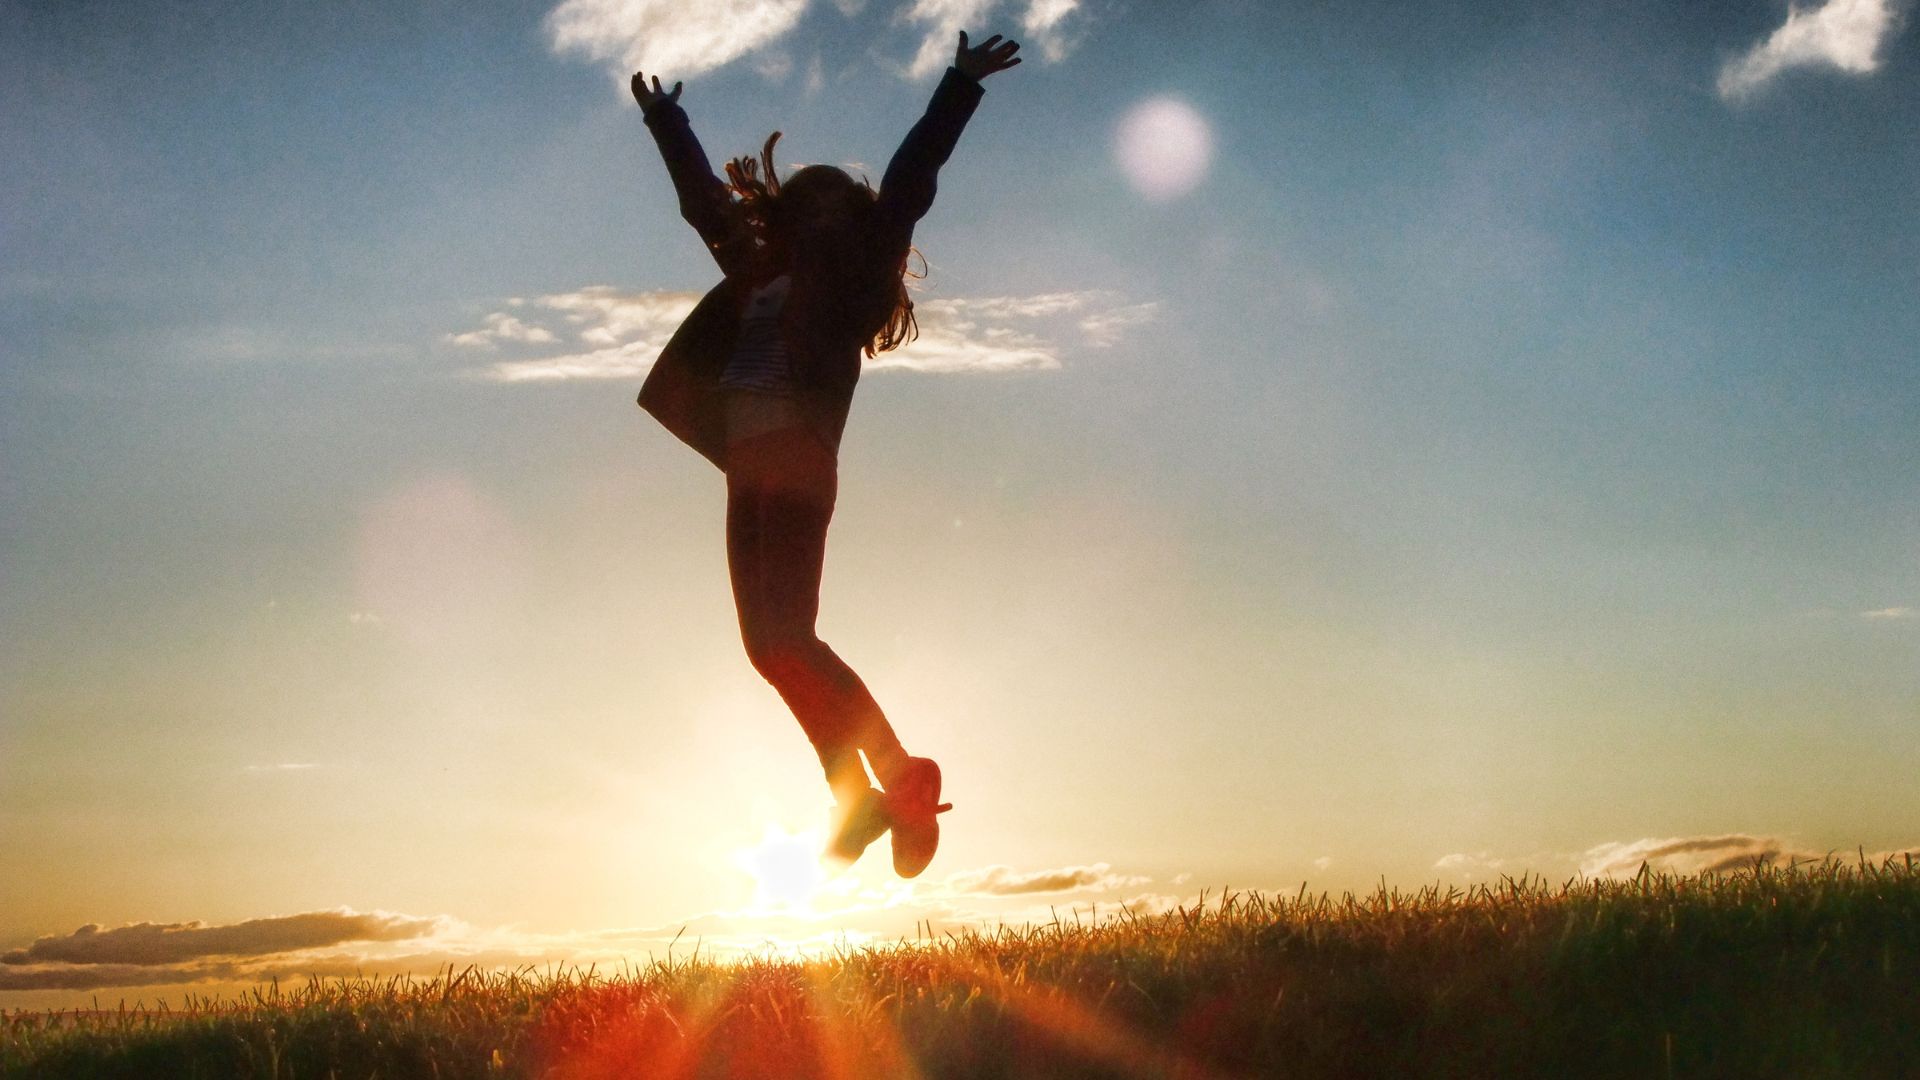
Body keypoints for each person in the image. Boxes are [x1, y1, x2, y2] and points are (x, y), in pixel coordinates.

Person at [630, 32, 1022, 877]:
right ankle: (879, 790)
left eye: (830, 201)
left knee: (791, 636)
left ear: (847, 217)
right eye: (803, 201)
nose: (815, 209)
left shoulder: (853, 275)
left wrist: (958, 84)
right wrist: (668, 122)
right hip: (749, 464)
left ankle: (880, 782)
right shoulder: (755, 266)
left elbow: (911, 185)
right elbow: (707, 207)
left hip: (799, 458)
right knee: (770, 645)